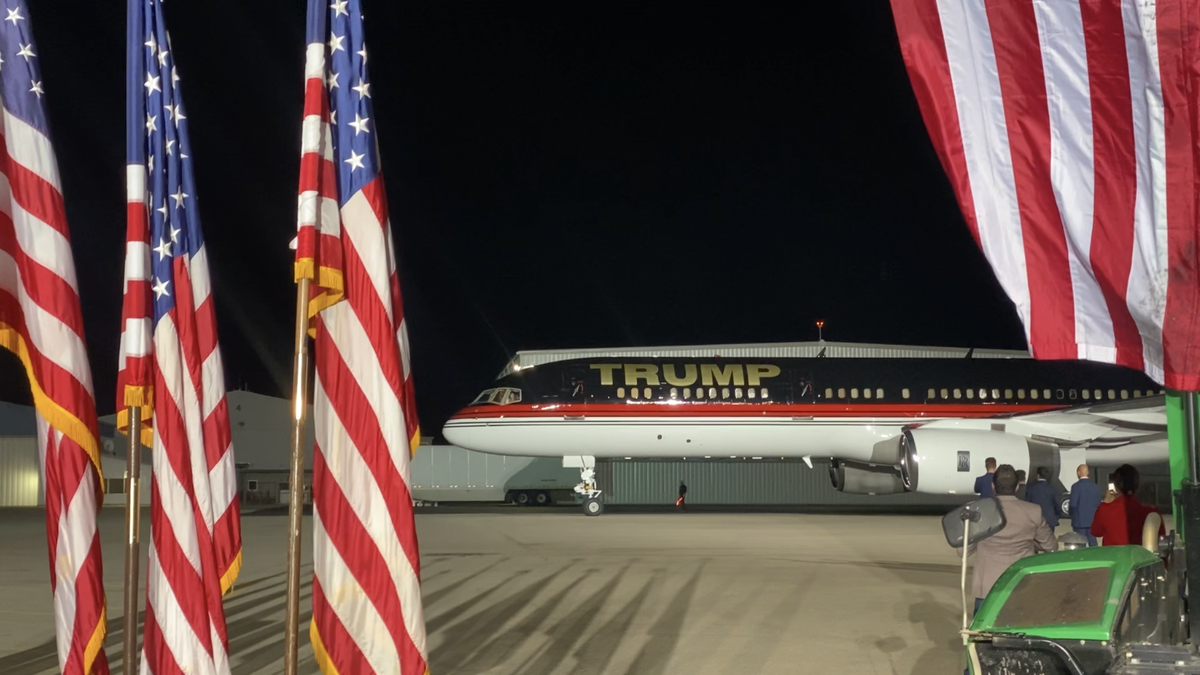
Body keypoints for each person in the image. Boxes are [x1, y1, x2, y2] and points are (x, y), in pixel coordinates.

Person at [958, 464, 1056, 617]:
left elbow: (962, 550)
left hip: (987, 587)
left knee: (983, 636)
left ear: (993, 486)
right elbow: (1051, 546)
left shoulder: (979, 513)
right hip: (1021, 584)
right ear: (1017, 487)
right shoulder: (1033, 511)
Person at [1092, 464, 1165, 546]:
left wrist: (1105, 503)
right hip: (1138, 557)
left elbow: (1096, 532)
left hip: (1112, 557)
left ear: (1116, 486)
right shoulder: (1150, 512)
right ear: (1137, 485)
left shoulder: (1105, 509)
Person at [1069, 464, 1102, 546]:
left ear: (1078, 473)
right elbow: (1098, 503)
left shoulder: (1075, 486)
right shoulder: (1095, 487)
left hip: (1079, 522)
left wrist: (1071, 515)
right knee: (1093, 544)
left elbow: (1073, 504)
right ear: (1088, 473)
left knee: (1080, 545)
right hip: (1092, 521)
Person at [1024, 466, 1062, 531]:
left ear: (1038, 475)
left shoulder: (1031, 488)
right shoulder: (1052, 488)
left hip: (1034, 520)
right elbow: (1057, 506)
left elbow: (1027, 504)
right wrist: (1055, 517)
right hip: (1049, 520)